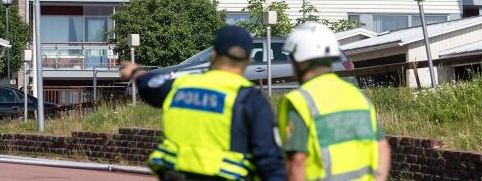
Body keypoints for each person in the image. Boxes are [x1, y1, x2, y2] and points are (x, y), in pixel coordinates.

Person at [121, 25, 286, 181]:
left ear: (213, 54)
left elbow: (150, 84)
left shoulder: (181, 85)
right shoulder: (251, 99)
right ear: (248, 59)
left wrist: (135, 72)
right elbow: (269, 159)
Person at [278, 23, 390, 181]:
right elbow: (382, 148)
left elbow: (297, 161)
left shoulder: (298, 101)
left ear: (300, 60)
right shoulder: (358, 97)